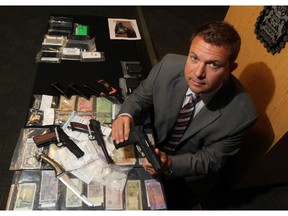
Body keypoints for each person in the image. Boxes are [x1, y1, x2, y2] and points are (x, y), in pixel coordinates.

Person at [112, 21, 258, 210]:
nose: (198, 73)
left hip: (186, 179)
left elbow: (212, 160)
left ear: (231, 68)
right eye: (194, 58)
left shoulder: (242, 115)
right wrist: (126, 114)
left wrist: (171, 163)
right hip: (149, 148)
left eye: (213, 64)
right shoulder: (167, 66)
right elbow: (140, 96)